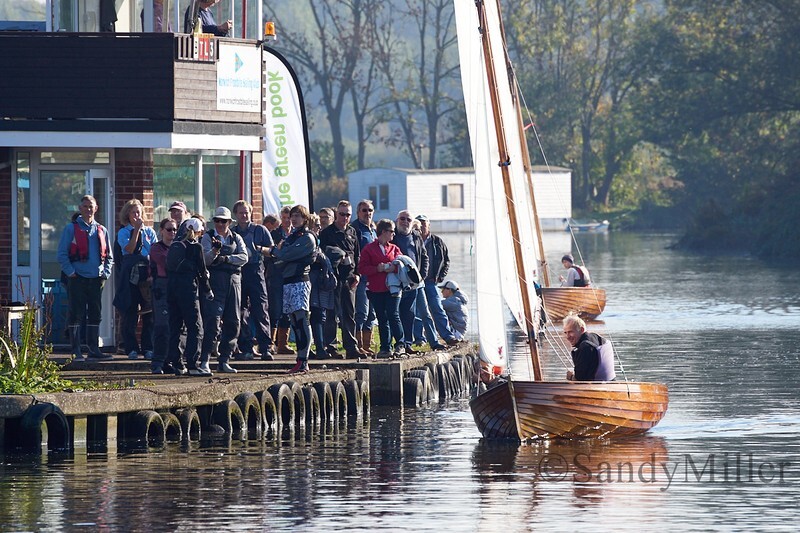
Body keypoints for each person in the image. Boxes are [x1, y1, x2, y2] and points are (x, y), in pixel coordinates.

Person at [57, 195, 114, 361]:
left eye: (91, 207)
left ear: (96, 209)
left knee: (95, 313)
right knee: (76, 313)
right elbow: (61, 254)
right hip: (77, 278)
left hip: (96, 279)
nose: (89, 209)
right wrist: (71, 272)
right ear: (80, 208)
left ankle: (93, 349)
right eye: (85, 206)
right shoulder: (71, 229)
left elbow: (109, 256)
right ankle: (76, 351)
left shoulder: (102, 230)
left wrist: (106, 273)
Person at [269, 205, 317, 373]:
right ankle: (300, 359)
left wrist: (274, 250)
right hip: (288, 282)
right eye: (292, 215)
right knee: (294, 321)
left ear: (305, 219)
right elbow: (282, 257)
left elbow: (285, 254)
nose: (294, 219)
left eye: (298, 216)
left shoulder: (307, 237)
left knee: (301, 320)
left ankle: (303, 359)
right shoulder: (292, 236)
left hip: (300, 282)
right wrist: (279, 252)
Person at [201, 206, 248, 373]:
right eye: (217, 221)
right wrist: (215, 252)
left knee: (234, 322)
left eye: (223, 221)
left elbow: (244, 257)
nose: (220, 224)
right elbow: (205, 260)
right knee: (212, 322)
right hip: (215, 282)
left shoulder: (237, 238)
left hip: (234, 282)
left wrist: (226, 259)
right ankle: (205, 360)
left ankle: (224, 359)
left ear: (229, 222)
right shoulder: (207, 237)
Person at [166, 217, 214, 376]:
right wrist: (208, 290)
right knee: (196, 327)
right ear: (198, 232)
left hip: (172, 291)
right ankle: (193, 364)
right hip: (189, 291)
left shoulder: (174, 246)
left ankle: (177, 363)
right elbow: (201, 272)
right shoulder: (196, 247)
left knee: (176, 327)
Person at [319, 200, 364, 359]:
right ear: (336, 214)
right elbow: (321, 255)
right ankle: (330, 347)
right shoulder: (326, 233)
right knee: (332, 314)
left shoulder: (353, 232)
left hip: (350, 279)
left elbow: (358, 255)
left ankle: (351, 347)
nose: (345, 217)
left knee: (349, 314)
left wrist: (358, 274)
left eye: (348, 214)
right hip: (333, 279)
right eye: (342, 214)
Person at [232, 200, 276, 361]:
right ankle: (246, 347)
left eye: (246, 212)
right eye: (241, 213)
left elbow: (273, 251)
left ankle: (265, 347)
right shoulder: (232, 232)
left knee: (261, 309)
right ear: (235, 214)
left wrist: (259, 249)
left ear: (251, 213)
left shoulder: (260, 230)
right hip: (238, 272)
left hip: (256, 271)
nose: (244, 215)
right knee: (241, 310)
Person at [114, 199, 157, 360]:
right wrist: (136, 231)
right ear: (128, 215)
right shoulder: (124, 232)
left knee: (149, 313)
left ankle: (148, 347)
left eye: (139, 212)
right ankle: (130, 348)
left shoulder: (150, 232)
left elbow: (153, 252)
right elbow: (130, 249)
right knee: (130, 312)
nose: (137, 215)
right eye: (133, 213)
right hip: (130, 272)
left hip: (146, 272)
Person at [359, 219, 404, 359]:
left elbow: (403, 264)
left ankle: (400, 344)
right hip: (376, 289)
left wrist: (393, 267)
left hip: (393, 289)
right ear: (383, 232)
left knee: (393, 314)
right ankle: (386, 347)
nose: (393, 234)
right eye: (391, 231)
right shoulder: (369, 248)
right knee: (382, 318)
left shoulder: (394, 248)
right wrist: (377, 269)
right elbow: (362, 268)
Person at [415, 214, 459, 348]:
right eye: (420, 223)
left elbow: (446, 260)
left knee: (437, 308)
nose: (422, 226)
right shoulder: (413, 240)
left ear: (429, 225)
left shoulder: (437, 241)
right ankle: (419, 338)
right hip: (416, 282)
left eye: (424, 223)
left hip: (431, 281)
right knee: (418, 312)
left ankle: (448, 336)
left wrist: (441, 277)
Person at [391, 209, 428, 354]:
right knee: (395, 314)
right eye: (402, 219)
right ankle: (397, 344)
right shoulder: (392, 236)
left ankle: (408, 342)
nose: (405, 222)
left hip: (413, 282)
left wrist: (422, 275)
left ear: (412, 223)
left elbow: (424, 257)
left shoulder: (416, 236)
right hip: (396, 282)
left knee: (410, 314)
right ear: (397, 220)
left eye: (408, 220)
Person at [148, 218, 176, 374]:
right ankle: (157, 362)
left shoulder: (179, 247)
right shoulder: (156, 248)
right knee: (162, 326)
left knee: (175, 327)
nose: (172, 233)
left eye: (174, 230)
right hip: (161, 287)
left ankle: (168, 361)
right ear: (162, 231)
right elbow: (167, 262)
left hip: (176, 288)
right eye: (169, 229)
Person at [308, 214, 337, 359]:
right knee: (316, 314)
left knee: (320, 314)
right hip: (312, 280)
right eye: (317, 225)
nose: (319, 227)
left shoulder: (317, 240)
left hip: (318, 281)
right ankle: (318, 347)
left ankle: (319, 347)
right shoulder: (309, 240)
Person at [267, 206, 295, 355]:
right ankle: (271, 342)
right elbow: (270, 253)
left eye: (289, 218)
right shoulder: (274, 234)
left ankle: (283, 343)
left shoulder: (297, 234)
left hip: (291, 275)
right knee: (275, 309)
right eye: (284, 218)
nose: (286, 221)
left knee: (287, 310)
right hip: (277, 275)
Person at [352, 199, 377, 356]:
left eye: (370, 210)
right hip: (361, 276)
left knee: (371, 314)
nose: (367, 213)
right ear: (358, 212)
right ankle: (358, 344)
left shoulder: (373, 230)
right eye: (364, 210)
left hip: (374, 276)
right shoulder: (355, 229)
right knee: (361, 311)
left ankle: (367, 345)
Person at [563, 314, 616, 381]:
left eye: (570, 332)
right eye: (565, 333)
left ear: (581, 330)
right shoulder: (597, 337)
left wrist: (571, 377)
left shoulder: (585, 347)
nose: (567, 337)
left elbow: (579, 380)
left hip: (596, 388)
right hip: (611, 383)